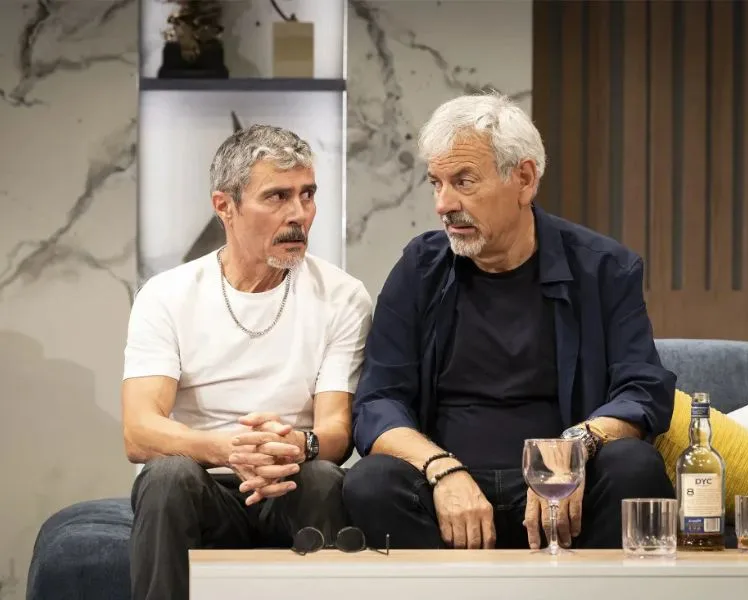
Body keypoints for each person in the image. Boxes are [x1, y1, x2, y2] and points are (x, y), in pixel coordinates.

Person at [342, 92, 676, 551]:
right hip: (447, 488)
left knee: (635, 467)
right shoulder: (419, 269)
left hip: (565, 489)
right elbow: (378, 400)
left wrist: (576, 448)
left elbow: (642, 389)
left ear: (524, 179)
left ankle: (578, 585)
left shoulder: (603, 269)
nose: (443, 204)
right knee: (370, 483)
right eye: (436, 183)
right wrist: (442, 469)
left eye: (463, 182)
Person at [123, 124, 372, 599]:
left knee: (323, 476)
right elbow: (139, 431)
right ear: (225, 206)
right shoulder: (167, 295)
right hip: (203, 485)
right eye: (277, 197)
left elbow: (337, 431)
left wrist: (299, 445)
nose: (298, 214)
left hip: (291, 480)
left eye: (307, 195)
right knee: (167, 474)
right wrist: (228, 450)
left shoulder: (343, 296)